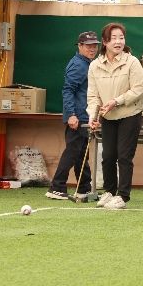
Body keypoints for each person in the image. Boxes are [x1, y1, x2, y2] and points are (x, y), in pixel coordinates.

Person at [87, 23, 143, 210]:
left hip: (130, 114)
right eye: (113, 38)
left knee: (124, 156)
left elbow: (138, 89)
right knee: (108, 156)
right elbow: (93, 96)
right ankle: (109, 192)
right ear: (105, 42)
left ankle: (123, 196)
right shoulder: (95, 66)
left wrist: (116, 101)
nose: (118, 42)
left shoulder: (132, 62)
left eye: (121, 38)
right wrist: (93, 116)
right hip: (108, 116)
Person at [45, 31, 100, 201]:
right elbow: (68, 90)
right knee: (72, 152)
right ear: (80, 46)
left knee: (81, 154)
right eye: (88, 46)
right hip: (77, 116)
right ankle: (56, 187)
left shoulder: (87, 63)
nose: (92, 49)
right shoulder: (78, 65)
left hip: (84, 116)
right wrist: (71, 115)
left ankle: (84, 189)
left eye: (95, 45)